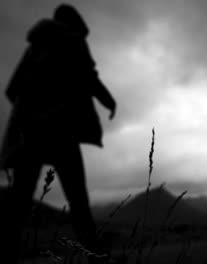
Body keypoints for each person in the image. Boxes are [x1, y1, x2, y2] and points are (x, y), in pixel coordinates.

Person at [0, 4, 116, 262]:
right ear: (75, 23)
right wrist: (110, 102)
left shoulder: (33, 48)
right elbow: (89, 78)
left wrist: (33, 111)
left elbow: (11, 90)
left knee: (18, 205)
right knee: (78, 200)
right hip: (61, 132)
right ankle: (96, 256)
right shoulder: (73, 41)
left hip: (30, 135)